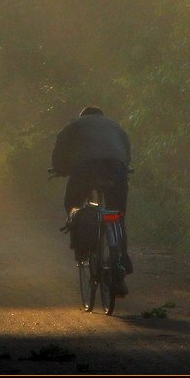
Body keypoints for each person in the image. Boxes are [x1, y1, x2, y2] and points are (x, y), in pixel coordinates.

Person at [51, 105, 133, 295]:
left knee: (72, 204)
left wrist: (59, 167)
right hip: (116, 168)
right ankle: (121, 260)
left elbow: (60, 147)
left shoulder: (75, 125)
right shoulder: (115, 126)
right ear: (101, 116)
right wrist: (123, 167)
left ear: (83, 116)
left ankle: (82, 247)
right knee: (118, 215)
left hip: (85, 167)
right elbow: (126, 152)